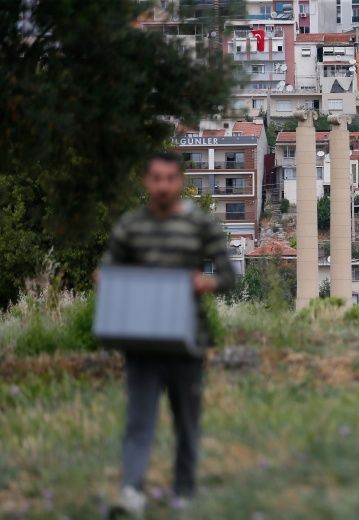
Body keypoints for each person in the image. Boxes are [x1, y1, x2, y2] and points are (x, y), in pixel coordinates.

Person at [102, 152, 235, 518]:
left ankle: (185, 492)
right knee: (139, 418)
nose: (163, 186)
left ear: (180, 182)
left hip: (187, 340)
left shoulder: (199, 225)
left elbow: (228, 275)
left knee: (186, 420)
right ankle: (131, 492)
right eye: (156, 178)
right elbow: (109, 269)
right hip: (142, 340)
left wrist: (204, 282)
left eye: (170, 178)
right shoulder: (130, 226)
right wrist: (109, 281)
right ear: (147, 182)